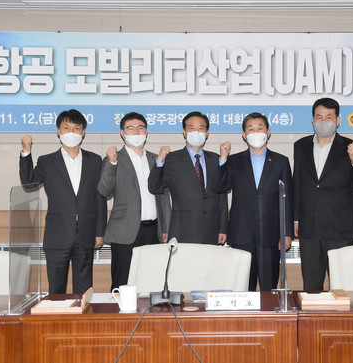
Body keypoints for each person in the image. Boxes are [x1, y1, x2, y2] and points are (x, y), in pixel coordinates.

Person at [19, 109, 106, 294]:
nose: (71, 132)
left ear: (83, 132)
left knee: (84, 290)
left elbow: (99, 197)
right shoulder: (47, 161)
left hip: (86, 234)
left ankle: (82, 314)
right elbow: (29, 184)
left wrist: (100, 231)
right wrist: (26, 151)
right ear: (58, 131)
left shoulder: (95, 161)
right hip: (57, 235)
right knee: (56, 290)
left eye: (76, 128)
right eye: (66, 128)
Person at [293, 97, 353, 291]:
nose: (323, 121)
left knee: (341, 286)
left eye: (329, 117)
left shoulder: (351, 146)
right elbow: (298, 184)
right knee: (311, 286)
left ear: (338, 120)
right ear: (312, 120)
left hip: (339, 229)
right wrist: (296, 219)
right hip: (309, 228)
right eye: (319, 117)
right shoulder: (301, 146)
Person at [212, 112, 293, 291]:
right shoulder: (233, 161)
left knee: (269, 287)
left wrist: (286, 232)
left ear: (268, 132)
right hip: (241, 233)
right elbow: (219, 187)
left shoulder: (281, 161)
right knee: (243, 286)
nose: (256, 132)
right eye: (251, 129)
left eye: (260, 128)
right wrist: (223, 159)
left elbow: (287, 199)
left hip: (271, 234)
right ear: (244, 135)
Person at [97, 112, 172, 291]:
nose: (136, 132)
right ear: (122, 133)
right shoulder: (113, 159)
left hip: (153, 231)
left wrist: (166, 228)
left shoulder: (156, 160)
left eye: (140, 128)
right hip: (125, 232)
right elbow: (104, 191)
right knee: (122, 282)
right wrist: (112, 164)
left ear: (146, 132)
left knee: (152, 282)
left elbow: (163, 196)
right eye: (130, 128)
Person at [148, 111, 228, 244]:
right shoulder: (172, 159)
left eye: (201, 128)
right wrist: (160, 160)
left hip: (211, 231)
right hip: (183, 231)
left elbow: (222, 197)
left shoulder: (216, 159)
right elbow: (155, 187)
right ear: (184, 133)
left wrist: (223, 228)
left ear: (207, 133)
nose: (196, 132)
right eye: (191, 128)